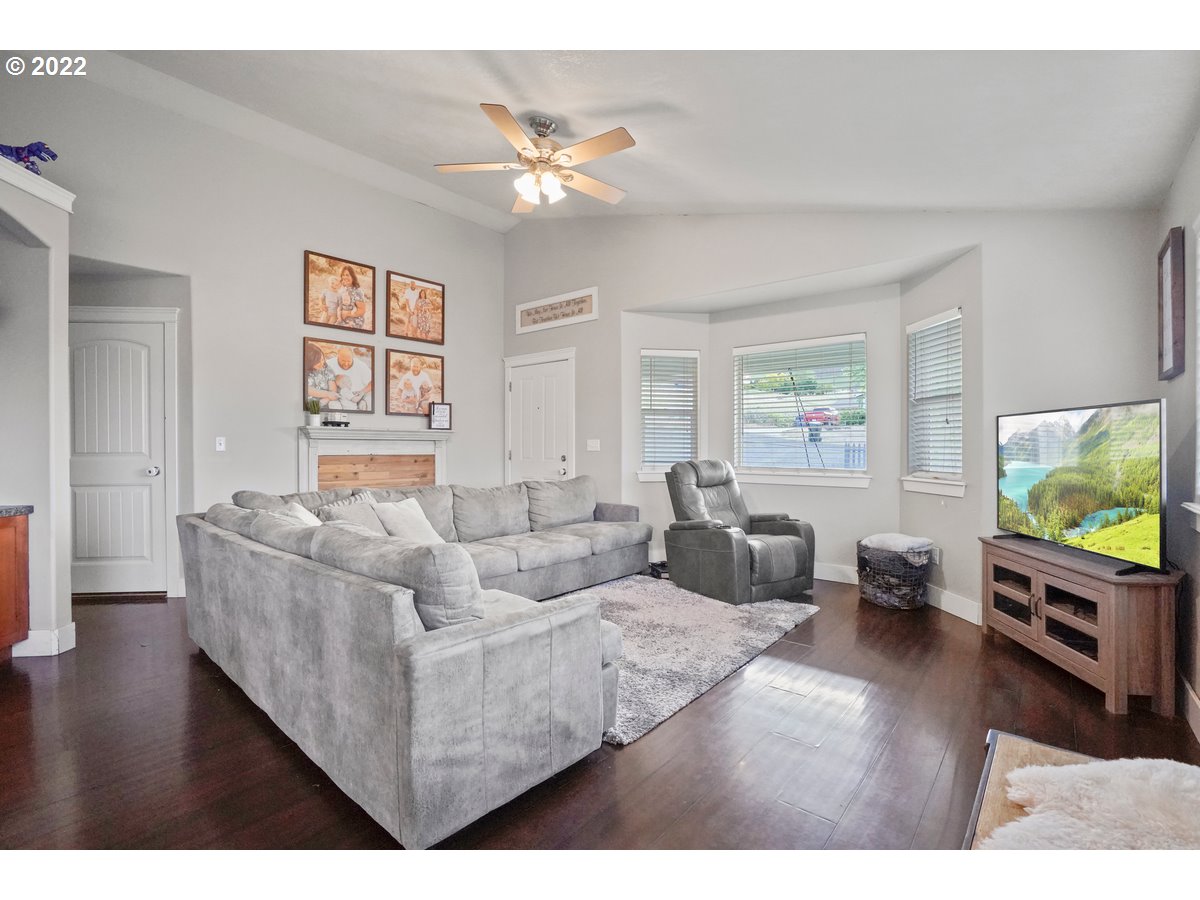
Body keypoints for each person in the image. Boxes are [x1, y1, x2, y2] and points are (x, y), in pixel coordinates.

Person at [331, 346, 372, 410]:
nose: (346, 364)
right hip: (339, 398)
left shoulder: (360, 365)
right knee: (333, 404)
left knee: (370, 401)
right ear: (337, 356)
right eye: (343, 360)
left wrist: (362, 392)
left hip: (359, 394)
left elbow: (373, 381)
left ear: (353, 357)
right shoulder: (329, 364)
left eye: (349, 361)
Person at [304, 342, 339, 408]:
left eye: (322, 359)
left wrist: (324, 401)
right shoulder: (304, 372)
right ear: (309, 362)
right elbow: (308, 390)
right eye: (317, 362)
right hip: (311, 404)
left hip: (326, 401)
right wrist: (328, 394)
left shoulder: (326, 368)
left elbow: (333, 389)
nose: (321, 363)